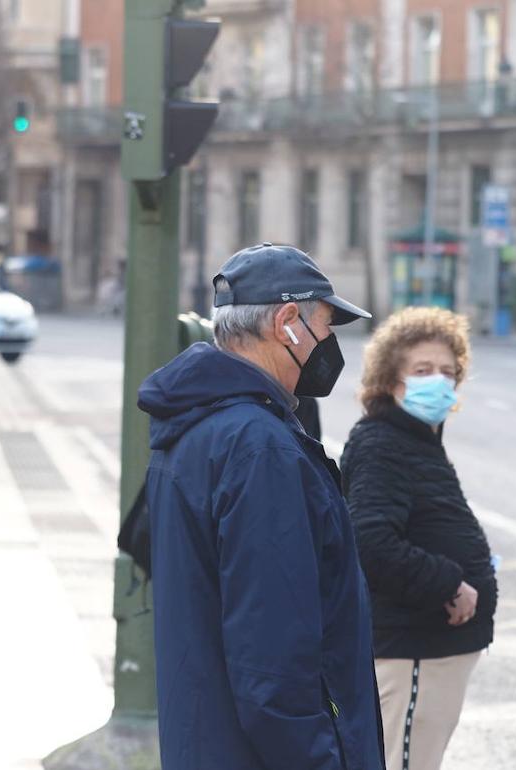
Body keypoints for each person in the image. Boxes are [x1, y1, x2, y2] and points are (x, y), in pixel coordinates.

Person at [138, 243, 383, 770]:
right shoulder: (260, 447)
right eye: (325, 327)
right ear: (288, 321)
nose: (328, 346)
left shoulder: (197, 427)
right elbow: (273, 659)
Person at [339, 307, 497, 770]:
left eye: (448, 372)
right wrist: (449, 583)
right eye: (422, 371)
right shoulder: (383, 443)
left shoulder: (415, 441)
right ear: (390, 380)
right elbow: (370, 541)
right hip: (411, 652)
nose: (439, 382)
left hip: (428, 653)